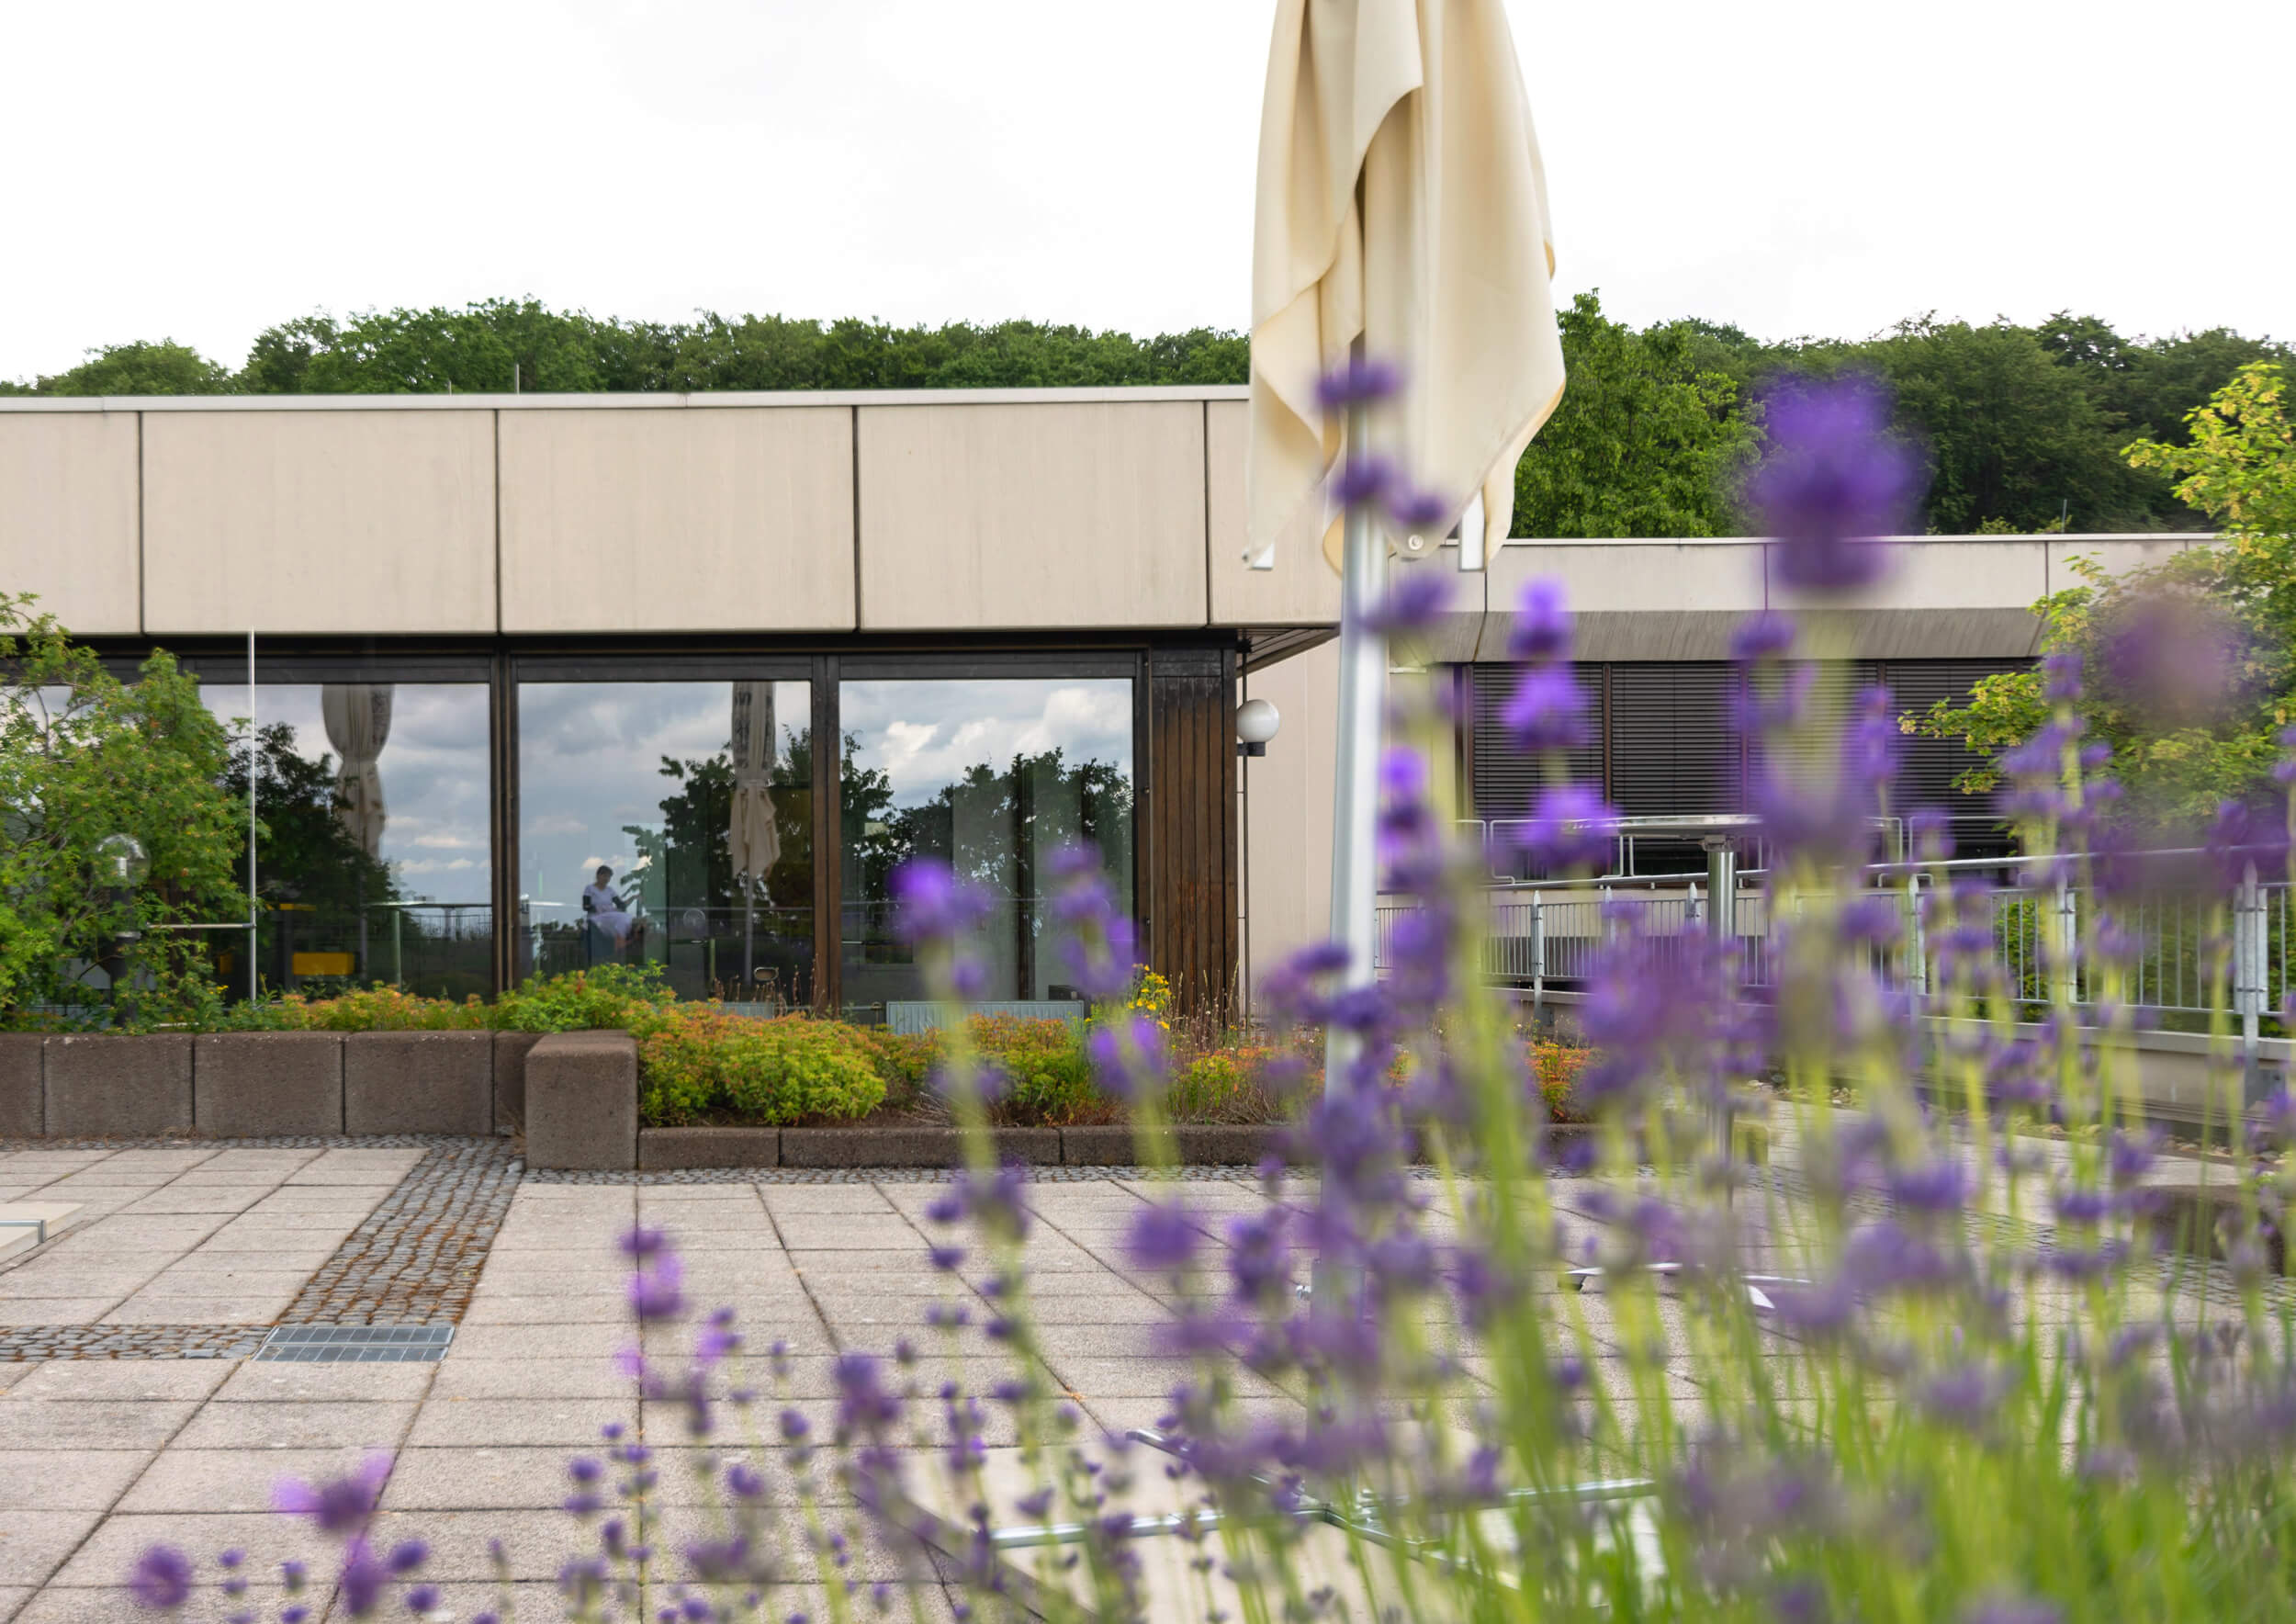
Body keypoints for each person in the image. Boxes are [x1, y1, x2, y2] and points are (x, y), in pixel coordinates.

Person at [581, 865, 636, 949]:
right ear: (598, 876)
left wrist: (633, 897)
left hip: (609, 919)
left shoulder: (610, 890)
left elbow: (621, 905)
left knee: (625, 918)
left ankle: (622, 943)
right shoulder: (590, 889)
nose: (606, 879)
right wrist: (599, 908)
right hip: (596, 919)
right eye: (604, 876)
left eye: (608, 877)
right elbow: (586, 906)